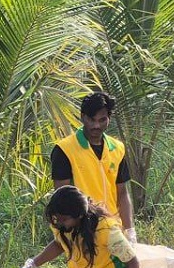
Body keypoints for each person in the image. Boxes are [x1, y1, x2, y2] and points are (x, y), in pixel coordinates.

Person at [52, 92, 136, 243]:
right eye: (91, 120)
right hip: (81, 233)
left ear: (109, 118)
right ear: (83, 117)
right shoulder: (65, 149)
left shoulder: (118, 148)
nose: (96, 125)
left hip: (113, 230)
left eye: (102, 120)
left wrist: (130, 231)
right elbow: (61, 198)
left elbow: (122, 193)